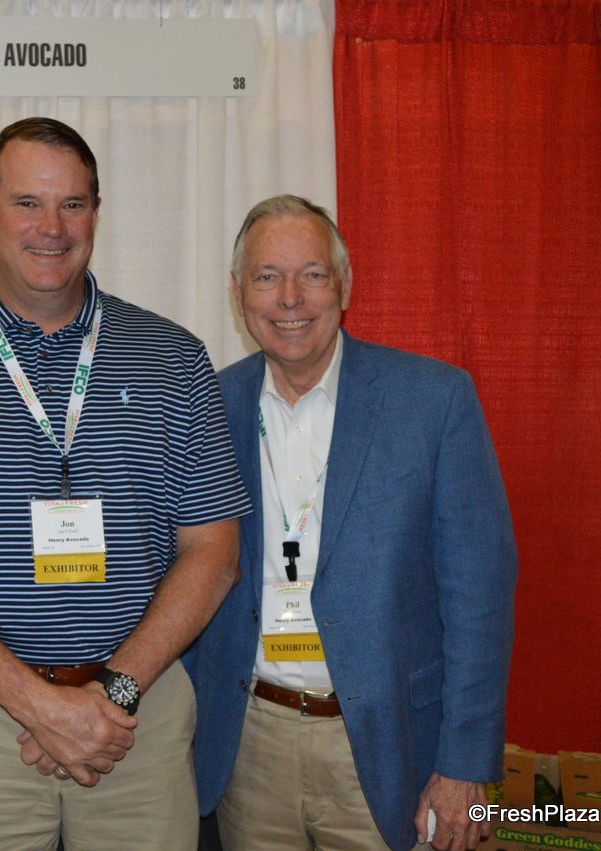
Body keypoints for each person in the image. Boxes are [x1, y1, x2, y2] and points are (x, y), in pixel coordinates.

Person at [0, 117, 251, 850]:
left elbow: (214, 553)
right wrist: (36, 703)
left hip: (138, 712)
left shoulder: (173, 358)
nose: (52, 227)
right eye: (27, 203)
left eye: (73, 205)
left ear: (96, 213)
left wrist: (111, 694)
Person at [188, 195, 516, 851]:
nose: (290, 297)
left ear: (344, 284)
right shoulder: (207, 405)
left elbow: (479, 593)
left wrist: (463, 762)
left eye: (312, 273)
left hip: (388, 747)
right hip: (249, 744)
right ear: (238, 291)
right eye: (267, 276)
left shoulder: (433, 400)